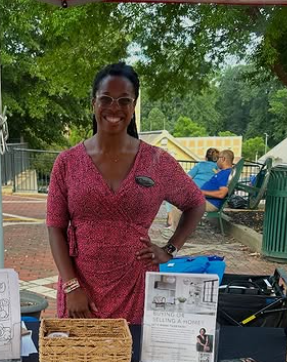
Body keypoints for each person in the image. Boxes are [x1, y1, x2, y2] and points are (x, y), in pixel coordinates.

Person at [46, 62, 206, 324]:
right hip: (80, 290)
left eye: (124, 100)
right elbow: (55, 228)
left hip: (136, 286)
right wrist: (71, 286)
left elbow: (195, 203)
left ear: (133, 106)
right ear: (93, 103)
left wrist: (170, 249)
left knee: (132, 349)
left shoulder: (156, 162)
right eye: (106, 99)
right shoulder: (67, 162)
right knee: (79, 351)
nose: (114, 108)